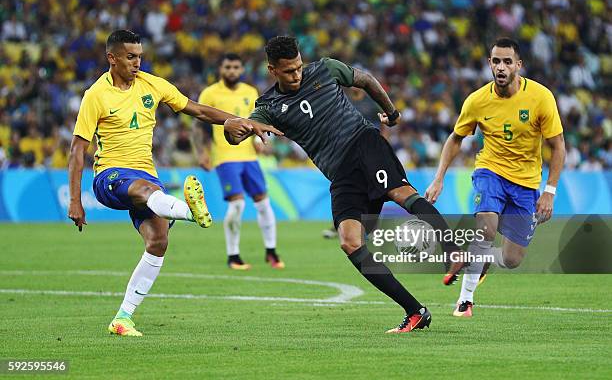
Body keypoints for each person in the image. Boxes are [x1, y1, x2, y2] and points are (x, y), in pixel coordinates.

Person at [225, 36, 462, 333]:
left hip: (363, 143)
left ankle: (453, 250)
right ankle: (415, 311)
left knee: (401, 194)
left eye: (298, 67)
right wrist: (231, 128)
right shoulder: (269, 106)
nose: (297, 74)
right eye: (288, 71)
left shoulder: (325, 69)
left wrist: (391, 113)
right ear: (272, 70)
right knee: (350, 241)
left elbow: (366, 80)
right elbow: (238, 134)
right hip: (339, 172)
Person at [68, 30, 280, 336]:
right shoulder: (96, 95)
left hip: (146, 175)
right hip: (110, 175)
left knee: (158, 242)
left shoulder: (152, 84)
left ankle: (123, 318)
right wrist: (74, 200)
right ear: (111, 58)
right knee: (147, 191)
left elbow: (195, 108)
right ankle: (188, 210)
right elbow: (77, 149)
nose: (137, 62)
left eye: (139, 56)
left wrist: (236, 120)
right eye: (130, 57)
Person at [425, 37, 565, 318]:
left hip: (526, 182)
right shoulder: (477, 101)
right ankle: (465, 301)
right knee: (485, 230)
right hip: (490, 172)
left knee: (512, 259)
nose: (501, 67)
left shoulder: (540, 97)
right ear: (490, 64)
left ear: (518, 65)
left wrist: (549, 191)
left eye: (507, 62)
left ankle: (483, 260)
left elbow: (558, 145)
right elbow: (455, 139)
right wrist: (439, 177)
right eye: (496, 61)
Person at [198, 53, 283, 270]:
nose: (232, 71)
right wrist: (201, 152)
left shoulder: (250, 91)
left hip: (250, 158)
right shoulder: (209, 93)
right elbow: (200, 126)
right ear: (220, 69)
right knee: (237, 204)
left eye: (236, 67)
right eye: (228, 67)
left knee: (263, 203)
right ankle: (233, 255)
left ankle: (271, 251)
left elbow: (256, 119)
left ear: (242, 69)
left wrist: (256, 138)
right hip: (225, 158)